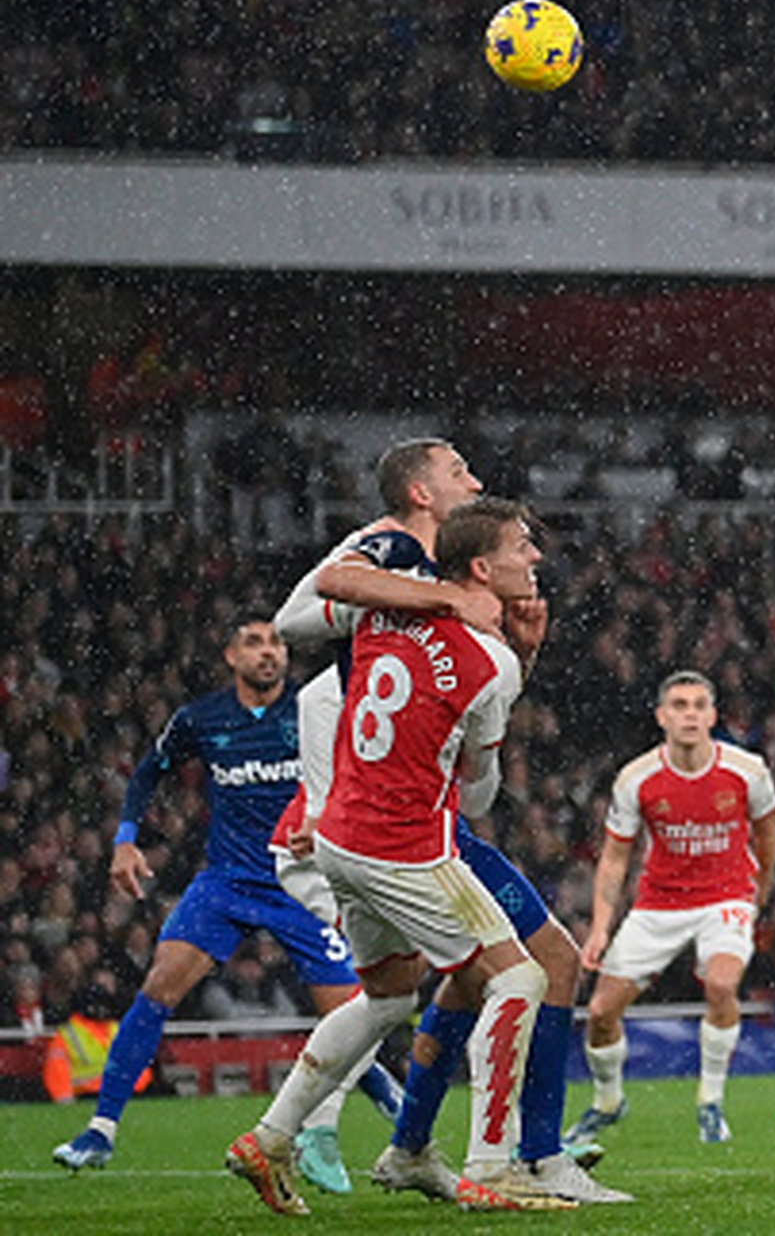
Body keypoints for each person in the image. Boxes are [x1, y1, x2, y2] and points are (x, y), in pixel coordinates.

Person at [270, 438, 617, 1205]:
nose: (477, 479)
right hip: (406, 821)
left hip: (402, 808)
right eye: (460, 471)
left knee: (434, 987)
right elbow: (297, 618)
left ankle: (402, 1147)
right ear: (423, 495)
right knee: (540, 968)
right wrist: (441, 601)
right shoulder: (392, 554)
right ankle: (523, 1158)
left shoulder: (415, 599)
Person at [227, 498, 566, 1215]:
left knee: (387, 995)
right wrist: (521, 662)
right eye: (521, 546)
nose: (534, 558)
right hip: (404, 842)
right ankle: (493, 1166)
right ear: (481, 567)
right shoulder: (492, 661)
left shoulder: (379, 611)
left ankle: (271, 1136)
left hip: (339, 837)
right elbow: (476, 799)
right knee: (520, 979)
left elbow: (306, 609)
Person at [51, 621, 399, 1179]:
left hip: (302, 880)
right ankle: (100, 1132)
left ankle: (386, 1094)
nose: (269, 653)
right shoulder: (200, 718)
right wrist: (124, 840)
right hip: (229, 881)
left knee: (356, 1011)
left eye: (277, 643)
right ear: (231, 655)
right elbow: (147, 773)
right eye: (256, 643)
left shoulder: (313, 711)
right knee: (158, 987)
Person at [569, 670, 775, 1148]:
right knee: (601, 1011)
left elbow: (767, 838)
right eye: (680, 705)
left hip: (725, 897)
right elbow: (615, 857)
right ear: (662, 716)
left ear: (713, 715)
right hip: (658, 904)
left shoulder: (748, 772)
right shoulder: (636, 778)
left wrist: (757, 894)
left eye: (699, 705)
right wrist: (601, 928)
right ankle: (608, 1102)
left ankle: (710, 1102)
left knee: (722, 984)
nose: (690, 713)